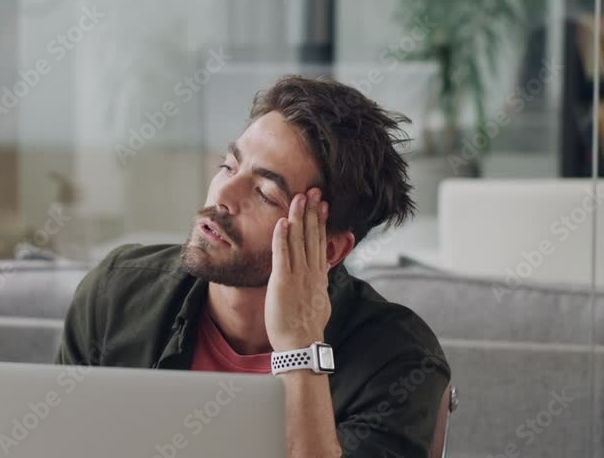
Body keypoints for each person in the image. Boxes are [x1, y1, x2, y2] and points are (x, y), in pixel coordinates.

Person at [57, 75, 450, 457]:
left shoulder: (399, 363)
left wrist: (300, 345)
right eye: (229, 167)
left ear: (329, 249)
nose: (223, 195)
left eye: (264, 193)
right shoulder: (117, 295)